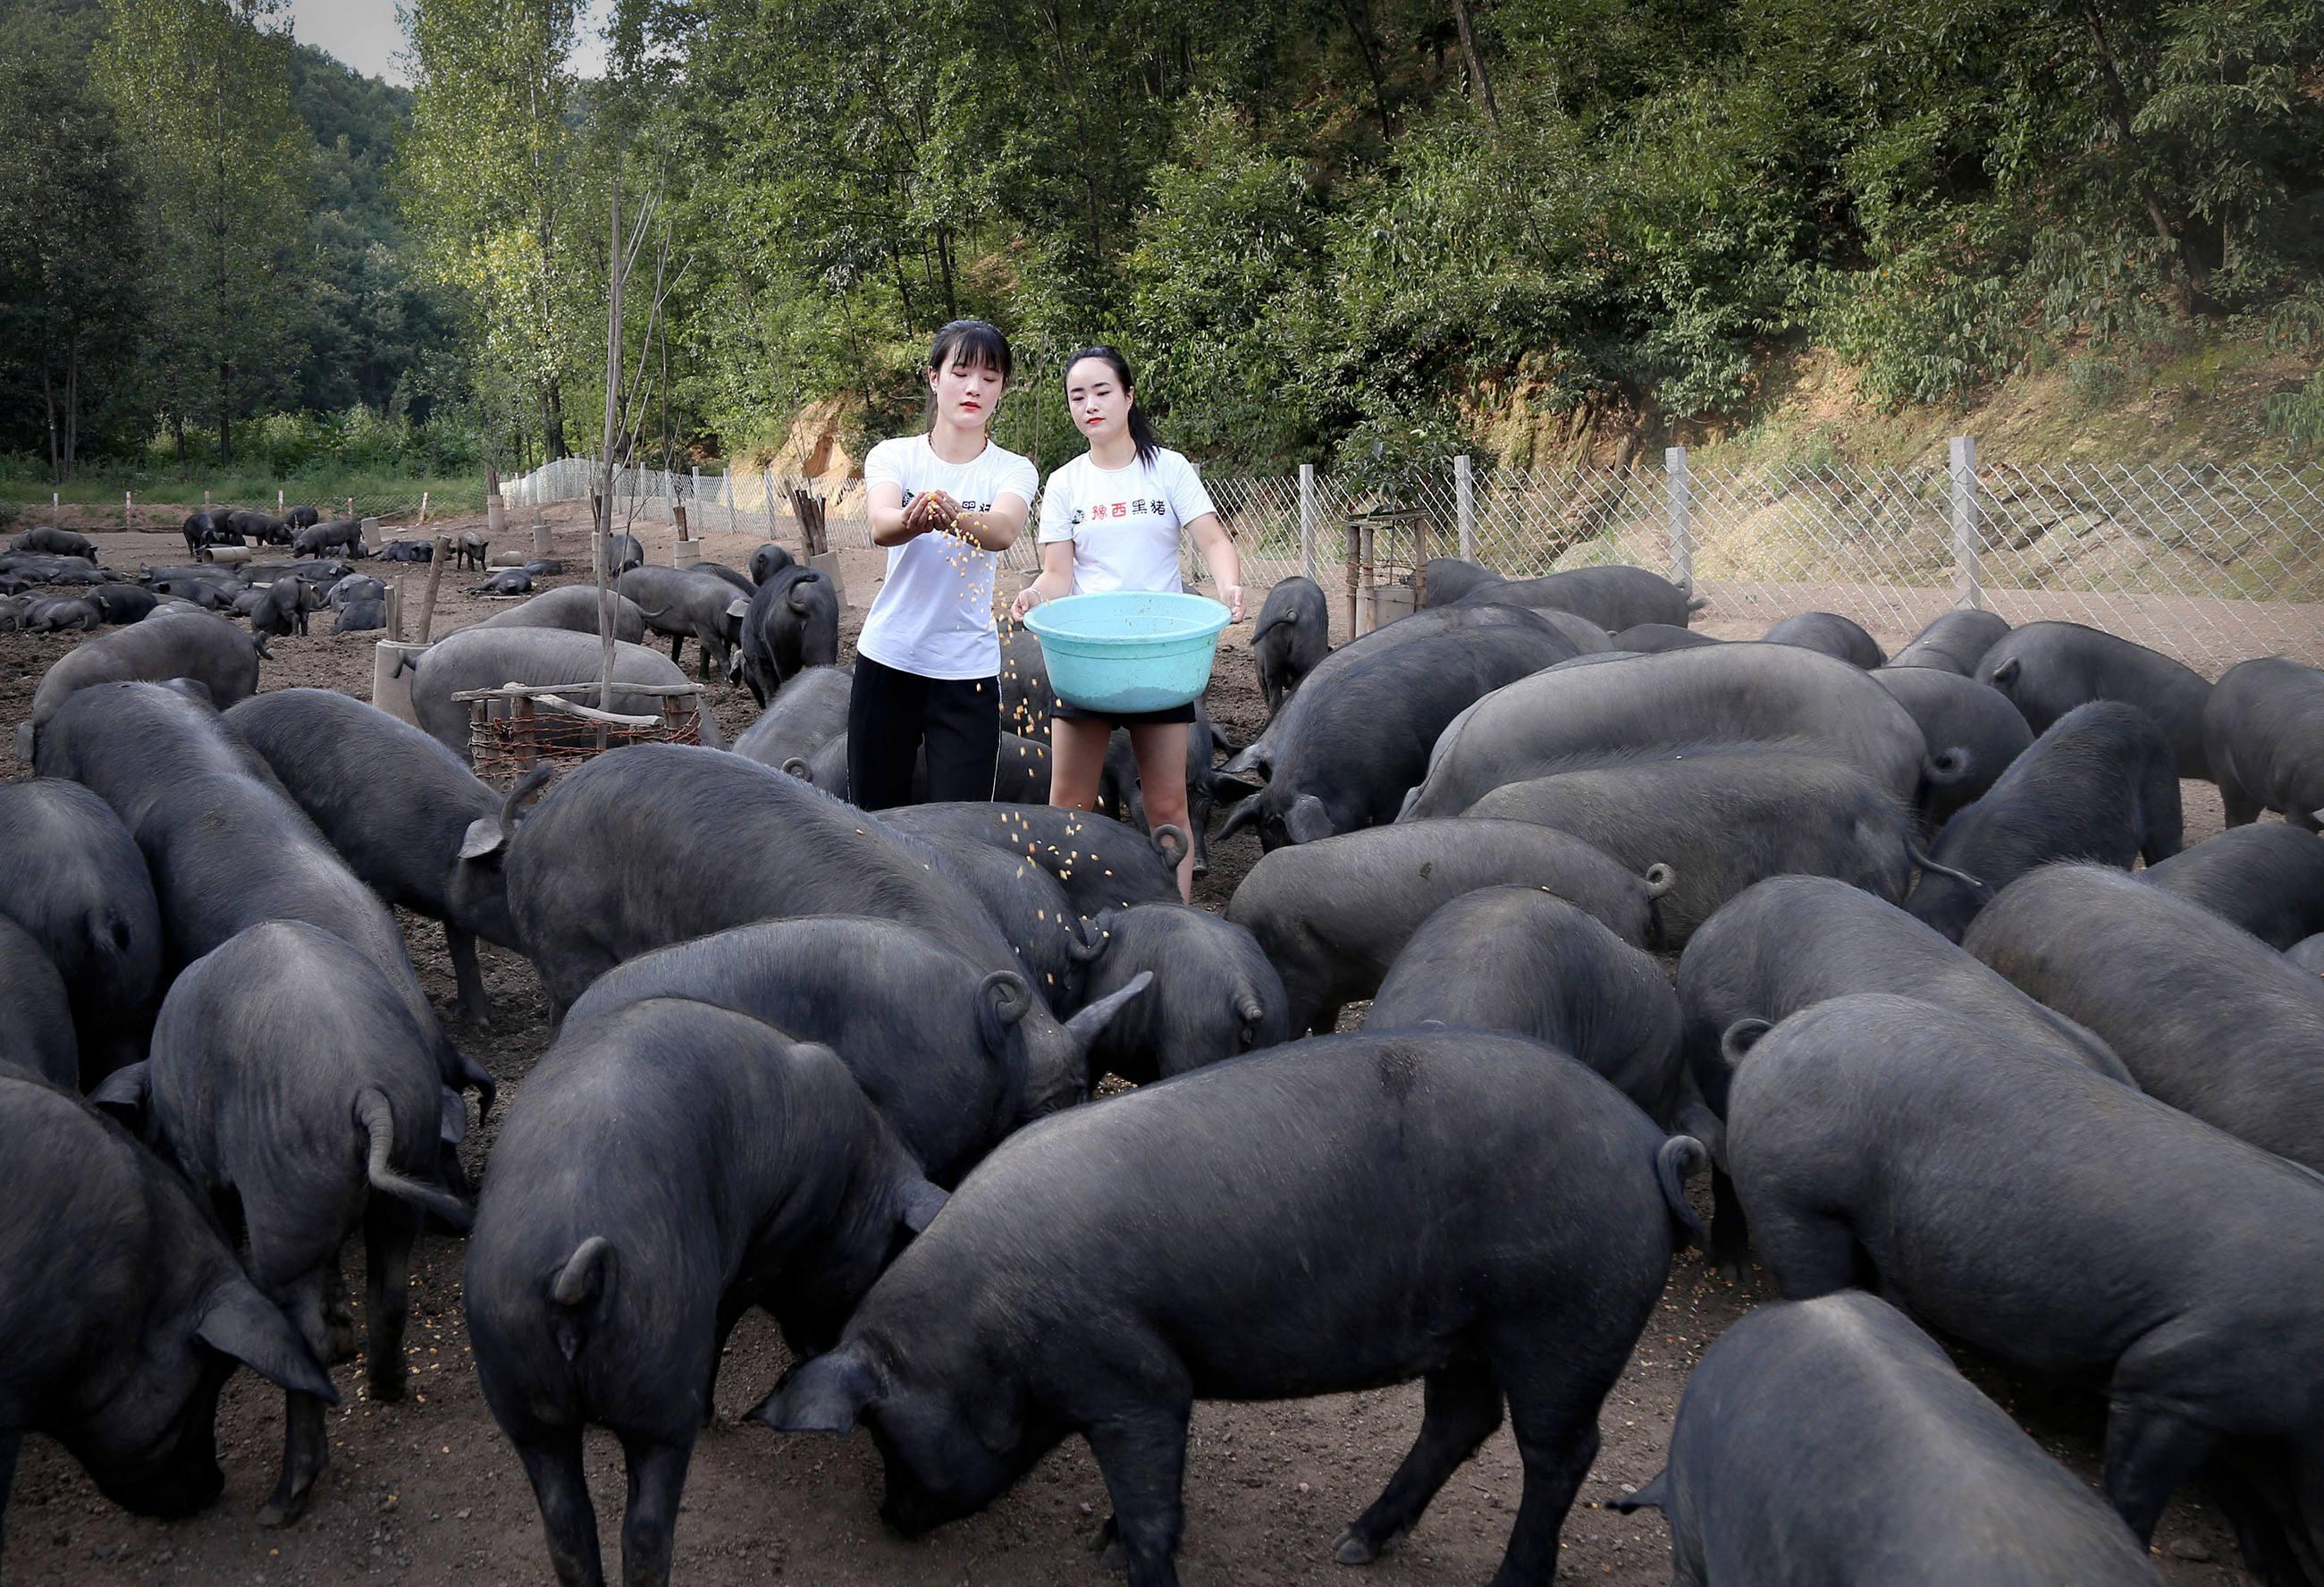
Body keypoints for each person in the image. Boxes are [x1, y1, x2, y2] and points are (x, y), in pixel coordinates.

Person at [1011, 345, 1243, 900]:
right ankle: (1066, 913)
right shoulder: (1066, 483)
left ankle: (1176, 914)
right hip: (1086, 659)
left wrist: (1228, 582)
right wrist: (1033, 595)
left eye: (1102, 391)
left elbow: (1211, 537)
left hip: (1158, 657)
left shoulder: (1168, 468)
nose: (1089, 404)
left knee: (1167, 805)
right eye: (1077, 395)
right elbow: (1057, 574)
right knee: (1068, 802)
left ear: (1128, 396)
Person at [850, 320, 1038, 810]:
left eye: (990, 378)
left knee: (964, 822)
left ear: (1002, 390)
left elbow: (1002, 530)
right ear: (934, 378)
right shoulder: (893, 455)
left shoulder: (1013, 468)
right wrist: (917, 521)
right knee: (874, 814)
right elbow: (882, 523)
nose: (974, 387)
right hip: (889, 659)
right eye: (961, 372)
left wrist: (954, 518)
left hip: (967, 670)